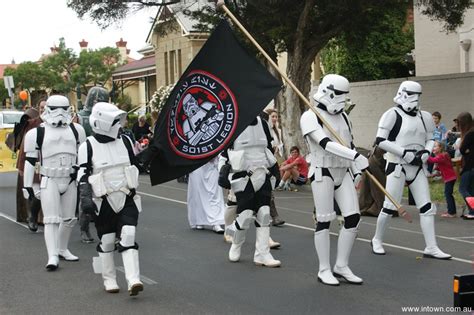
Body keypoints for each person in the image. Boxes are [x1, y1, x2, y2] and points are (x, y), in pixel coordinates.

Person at [300, 74, 368, 286]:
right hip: (323, 170)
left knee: (353, 218)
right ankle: (324, 268)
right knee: (324, 219)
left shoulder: (344, 117)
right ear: (328, 91)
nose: (342, 98)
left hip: (343, 171)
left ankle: (341, 265)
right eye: (339, 94)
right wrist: (354, 156)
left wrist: (356, 164)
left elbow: (350, 143)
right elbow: (325, 143)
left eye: (344, 95)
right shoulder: (310, 116)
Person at [371, 80, 451, 259]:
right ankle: (377, 239)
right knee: (389, 206)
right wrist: (403, 153)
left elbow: (431, 138)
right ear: (402, 94)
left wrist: (425, 152)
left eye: (417, 95)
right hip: (397, 165)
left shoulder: (425, 116)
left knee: (427, 207)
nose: (414, 99)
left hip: (417, 166)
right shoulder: (391, 114)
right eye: (410, 94)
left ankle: (431, 246)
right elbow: (380, 140)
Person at [77, 102, 144, 296]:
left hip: (127, 195)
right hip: (103, 200)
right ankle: (109, 278)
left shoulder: (125, 141)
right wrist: (85, 198)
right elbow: (82, 174)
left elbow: (136, 164)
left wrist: (153, 153)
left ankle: (133, 280)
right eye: (115, 120)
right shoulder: (87, 146)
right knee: (106, 241)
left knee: (129, 234)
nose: (119, 124)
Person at [23, 95, 86, 270]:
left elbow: (83, 156)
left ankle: (62, 249)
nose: (60, 113)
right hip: (49, 178)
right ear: (47, 109)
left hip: (70, 178)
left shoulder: (77, 130)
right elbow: (30, 160)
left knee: (69, 219)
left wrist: (84, 178)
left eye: (64, 108)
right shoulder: (36, 133)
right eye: (55, 108)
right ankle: (52, 256)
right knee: (51, 219)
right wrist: (28, 185)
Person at [220, 116, 281, 267]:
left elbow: (268, 149)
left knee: (265, 213)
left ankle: (262, 254)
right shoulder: (233, 123)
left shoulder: (264, 124)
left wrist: (275, 168)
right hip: (242, 175)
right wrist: (222, 172)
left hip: (263, 171)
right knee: (245, 214)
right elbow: (224, 154)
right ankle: (236, 243)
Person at [14, 102, 45, 230]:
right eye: (42, 107)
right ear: (39, 109)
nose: (44, 109)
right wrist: (21, 166)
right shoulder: (32, 124)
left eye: (46, 107)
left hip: (50, 164)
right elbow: (24, 148)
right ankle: (32, 217)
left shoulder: (60, 125)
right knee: (36, 192)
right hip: (35, 162)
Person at [187, 157, 225, 233]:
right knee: (197, 193)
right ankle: (199, 221)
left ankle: (216, 222)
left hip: (212, 163)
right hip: (196, 164)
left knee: (214, 193)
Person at [260, 110, 285, 226]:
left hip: (268, 162)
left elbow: (272, 147)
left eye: (276, 116)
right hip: (254, 164)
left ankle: (274, 216)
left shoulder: (274, 131)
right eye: (272, 116)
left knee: (268, 191)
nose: (274, 119)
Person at [427, 141, 457, 218]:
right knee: (448, 194)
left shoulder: (442, 156)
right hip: (450, 177)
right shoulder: (443, 155)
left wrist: (425, 155)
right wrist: (435, 174)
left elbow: (432, 160)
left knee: (448, 194)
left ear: (440, 148)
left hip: (449, 178)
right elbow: (443, 167)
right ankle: (451, 210)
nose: (433, 148)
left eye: (435, 146)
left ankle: (451, 212)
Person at [358, 146, 386, 217]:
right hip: (375, 159)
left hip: (374, 157)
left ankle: (367, 207)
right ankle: (377, 208)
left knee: (369, 185)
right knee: (376, 186)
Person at [456, 112, 474, 220]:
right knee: (471, 189)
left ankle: (472, 210)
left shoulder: (469, 134)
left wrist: (466, 151)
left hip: (469, 166)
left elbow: (462, 149)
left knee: (463, 188)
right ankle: (472, 210)